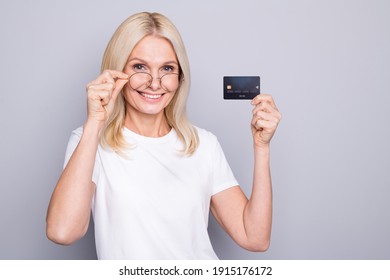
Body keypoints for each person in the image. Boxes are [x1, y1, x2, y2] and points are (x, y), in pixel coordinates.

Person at [46, 12, 281, 260]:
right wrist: (95, 122)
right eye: (139, 67)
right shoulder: (89, 141)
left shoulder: (203, 145)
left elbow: (254, 237)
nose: (155, 84)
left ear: (179, 78)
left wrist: (262, 147)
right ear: (116, 72)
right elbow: (63, 231)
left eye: (167, 69)